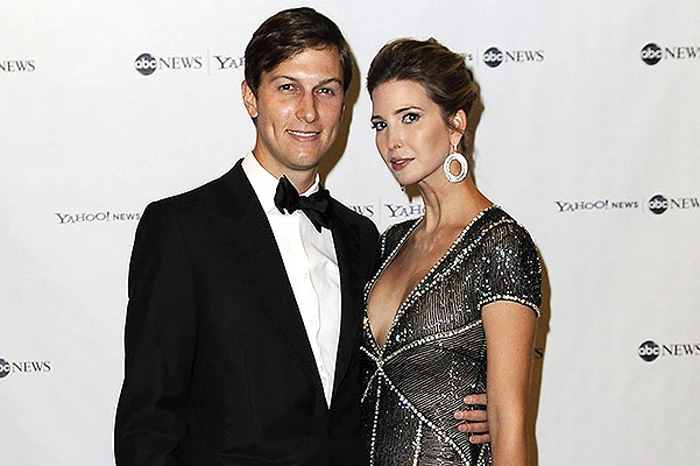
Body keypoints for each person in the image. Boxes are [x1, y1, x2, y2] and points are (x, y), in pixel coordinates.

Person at [114, 8, 489, 466]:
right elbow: (147, 427)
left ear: (343, 106)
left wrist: (478, 408)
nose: (308, 111)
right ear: (251, 97)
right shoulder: (181, 229)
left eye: (325, 90)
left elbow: (385, 378)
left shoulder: (362, 239)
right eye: (287, 87)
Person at [361, 38, 542, 465]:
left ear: (456, 124)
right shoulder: (388, 244)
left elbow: (508, 420)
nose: (392, 140)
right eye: (380, 124)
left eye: (410, 118)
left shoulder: (499, 244)